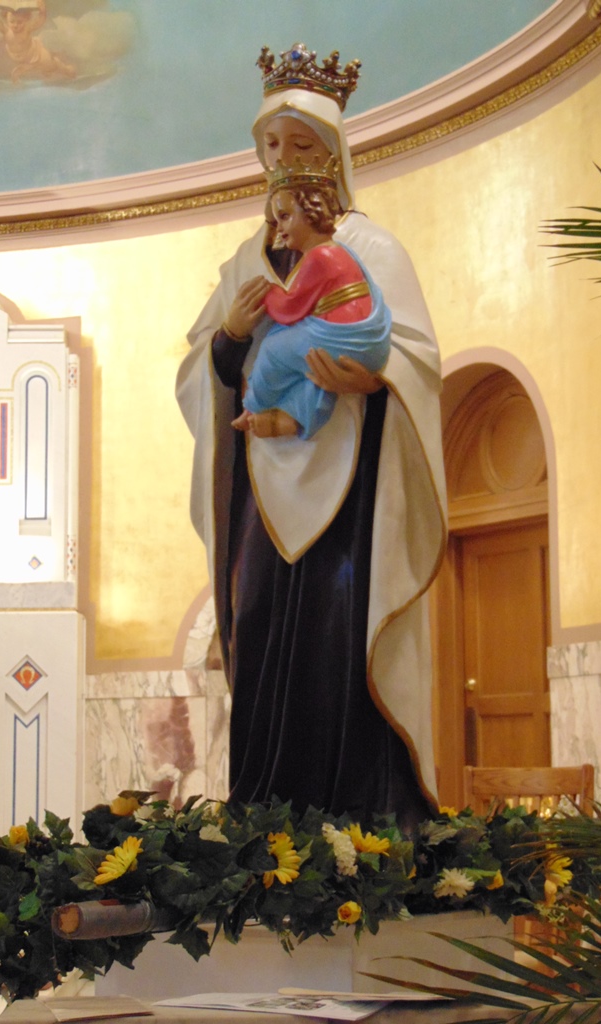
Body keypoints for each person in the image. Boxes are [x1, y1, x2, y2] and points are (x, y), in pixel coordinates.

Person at [176, 43, 448, 830]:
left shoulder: (372, 249)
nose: (284, 158)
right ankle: (267, 820)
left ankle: (361, 821)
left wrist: (372, 377)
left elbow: (419, 359)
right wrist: (229, 338)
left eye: (302, 143)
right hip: (262, 494)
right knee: (262, 629)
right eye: (272, 143)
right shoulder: (244, 261)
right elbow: (203, 370)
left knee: (338, 637)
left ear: (334, 152)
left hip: (350, 489)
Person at [231, 161, 392, 440]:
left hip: (343, 338)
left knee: (272, 349)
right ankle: (295, 418)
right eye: (276, 220)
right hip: (358, 343)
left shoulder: (319, 256)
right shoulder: (339, 251)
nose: (279, 229)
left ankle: (253, 407)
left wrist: (267, 293)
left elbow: (289, 308)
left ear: (310, 213)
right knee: (313, 370)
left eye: (285, 217)